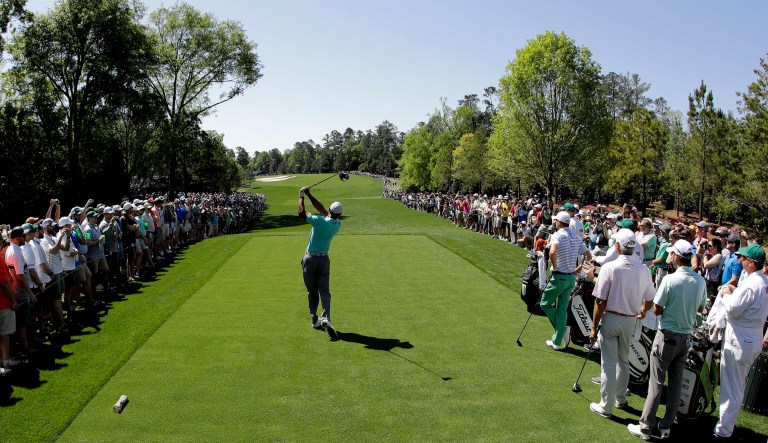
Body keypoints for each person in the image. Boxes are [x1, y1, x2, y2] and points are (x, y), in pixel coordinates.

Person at [627, 240, 707, 440]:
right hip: (685, 338)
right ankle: (666, 427)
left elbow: (657, 309)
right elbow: (701, 308)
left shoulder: (670, 279)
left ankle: (645, 427)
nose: (670, 256)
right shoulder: (700, 281)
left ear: (677, 256)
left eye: (672, 254)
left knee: (656, 382)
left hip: (667, 336)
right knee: (675, 384)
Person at [588, 229, 655, 419]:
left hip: (611, 319)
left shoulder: (610, 268)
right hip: (630, 321)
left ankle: (606, 406)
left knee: (609, 364)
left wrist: (593, 327)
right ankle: (620, 399)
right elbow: (650, 299)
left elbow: (600, 301)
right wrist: (643, 310)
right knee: (623, 360)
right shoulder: (643, 269)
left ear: (618, 247)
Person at [713, 243, 768, 439]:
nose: (740, 260)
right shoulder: (762, 281)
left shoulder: (753, 284)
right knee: (735, 387)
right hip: (750, 338)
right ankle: (724, 427)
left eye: (743, 258)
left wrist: (727, 294)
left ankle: (723, 431)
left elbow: (732, 308)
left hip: (740, 340)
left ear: (751, 262)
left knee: (732, 389)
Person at [540, 211, 591, 350]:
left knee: (544, 303)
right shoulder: (575, 236)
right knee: (562, 309)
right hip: (570, 278)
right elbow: (589, 255)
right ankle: (557, 341)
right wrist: (578, 269)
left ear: (559, 222)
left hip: (559, 276)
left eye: (555, 220)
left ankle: (562, 330)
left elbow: (552, 252)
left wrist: (555, 267)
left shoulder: (558, 235)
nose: (554, 222)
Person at [298, 186, 343, 341]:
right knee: (324, 290)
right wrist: (309, 194)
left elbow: (301, 213)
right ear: (339, 214)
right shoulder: (337, 224)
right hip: (324, 260)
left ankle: (314, 319)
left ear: (330, 211)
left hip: (310, 259)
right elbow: (322, 209)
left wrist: (301, 196)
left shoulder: (319, 221)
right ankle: (326, 318)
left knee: (312, 291)